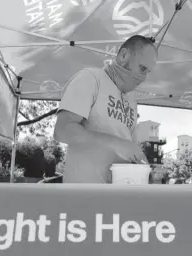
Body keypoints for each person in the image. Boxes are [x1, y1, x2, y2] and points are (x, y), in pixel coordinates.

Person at [53, 35, 158, 183]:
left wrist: (142, 165)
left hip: (116, 198)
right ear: (123, 55)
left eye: (148, 72)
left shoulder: (132, 99)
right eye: (142, 68)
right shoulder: (90, 78)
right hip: (82, 196)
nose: (144, 77)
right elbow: (62, 130)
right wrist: (117, 143)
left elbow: (130, 146)